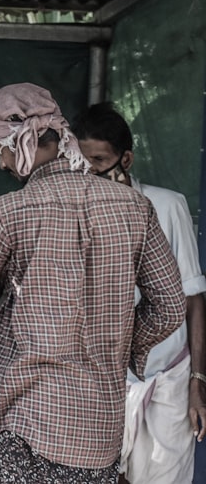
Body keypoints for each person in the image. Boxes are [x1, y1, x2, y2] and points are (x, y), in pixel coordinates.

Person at [0, 83, 186, 484]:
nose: (2, 164)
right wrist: (126, 344)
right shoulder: (135, 208)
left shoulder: (9, 211)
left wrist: (5, 290)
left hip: (28, 419)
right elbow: (169, 305)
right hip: (100, 430)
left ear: (18, 141)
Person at [73, 101, 206, 484]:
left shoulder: (166, 206)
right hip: (103, 380)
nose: (90, 171)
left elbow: (193, 299)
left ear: (126, 159)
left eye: (99, 160)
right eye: (82, 162)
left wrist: (198, 382)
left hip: (170, 376)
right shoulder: (73, 217)